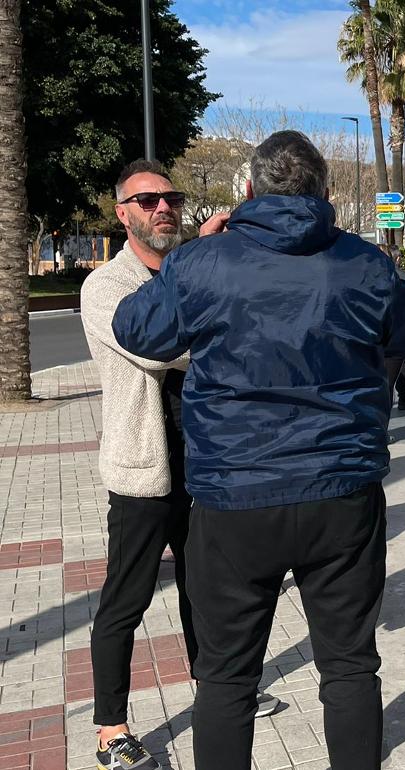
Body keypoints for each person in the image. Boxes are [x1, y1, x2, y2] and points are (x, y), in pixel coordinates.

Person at [111, 131, 405, 770]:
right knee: (348, 665)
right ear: (326, 192)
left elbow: (135, 327)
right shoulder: (364, 263)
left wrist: (195, 257)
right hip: (341, 492)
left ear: (250, 191)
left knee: (227, 675)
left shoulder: (204, 262)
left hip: (235, 499)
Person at [79, 161, 282, 770]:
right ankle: (110, 729)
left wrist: (201, 262)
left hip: (204, 466)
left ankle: (212, 687)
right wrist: (203, 262)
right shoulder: (104, 287)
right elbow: (164, 346)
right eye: (146, 202)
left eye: (170, 198)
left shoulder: (191, 271)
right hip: (143, 470)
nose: (161, 208)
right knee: (126, 600)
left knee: (207, 591)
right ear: (123, 215)